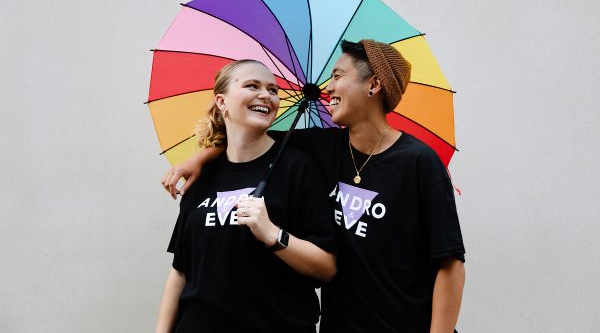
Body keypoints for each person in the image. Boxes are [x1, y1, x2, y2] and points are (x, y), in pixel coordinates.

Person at [161, 41, 466, 333]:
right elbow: (250, 135)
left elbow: (450, 264)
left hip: (404, 323)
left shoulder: (418, 162)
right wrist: (200, 157)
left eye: (337, 76)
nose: (327, 88)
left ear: (373, 85)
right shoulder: (323, 148)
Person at [155, 60, 336, 333]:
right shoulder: (202, 174)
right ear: (222, 102)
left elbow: (326, 267)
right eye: (252, 86)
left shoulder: (298, 167)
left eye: (273, 90)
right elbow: (180, 271)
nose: (266, 95)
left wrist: (273, 235)